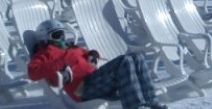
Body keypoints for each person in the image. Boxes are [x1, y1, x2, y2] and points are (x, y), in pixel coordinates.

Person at [26, 20, 168, 109]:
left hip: (96, 79)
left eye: (63, 34)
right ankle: (136, 106)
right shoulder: (45, 54)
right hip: (82, 89)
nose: (62, 38)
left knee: (136, 57)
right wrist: (61, 63)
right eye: (57, 35)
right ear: (44, 38)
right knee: (125, 62)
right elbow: (33, 72)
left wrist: (93, 54)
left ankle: (152, 102)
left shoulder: (70, 48)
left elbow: (86, 52)